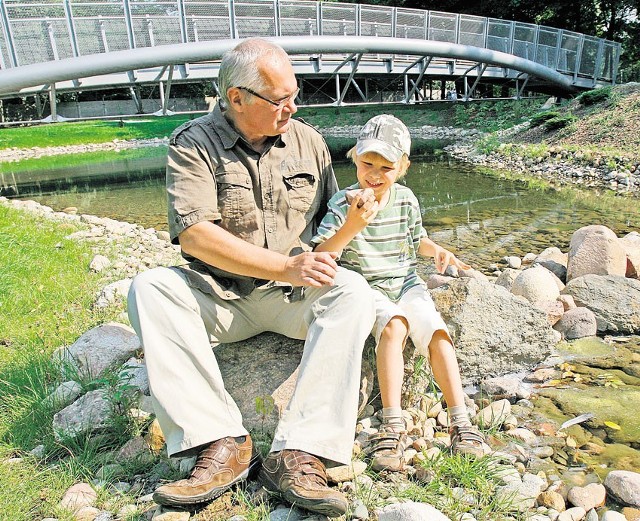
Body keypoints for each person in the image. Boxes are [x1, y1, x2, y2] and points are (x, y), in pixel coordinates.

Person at [127, 38, 376, 517]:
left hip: (293, 298)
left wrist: (355, 214)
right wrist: (284, 264)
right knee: (149, 288)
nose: (292, 108)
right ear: (236, 97)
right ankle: (220, 444)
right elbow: (196, 236)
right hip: (222, 300)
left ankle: (298, 452)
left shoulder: (309, 141)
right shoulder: (192, 145)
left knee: (354, 292)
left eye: (295, 95)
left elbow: (326, 223)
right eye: (280, 99)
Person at [312, 115, 489, 472]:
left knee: (437, 332)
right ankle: (392, 423)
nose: (374, 175)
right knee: (394, 328)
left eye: (386, 167)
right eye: (367, 164)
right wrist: (351, 223)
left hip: (406, 282)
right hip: (367, 286)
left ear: (403, 167)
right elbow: (322, 254)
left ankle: (461, 420)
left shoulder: (406, 200)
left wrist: (436, 249)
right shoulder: (340, 204)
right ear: (354, 158)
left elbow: (415, 240)